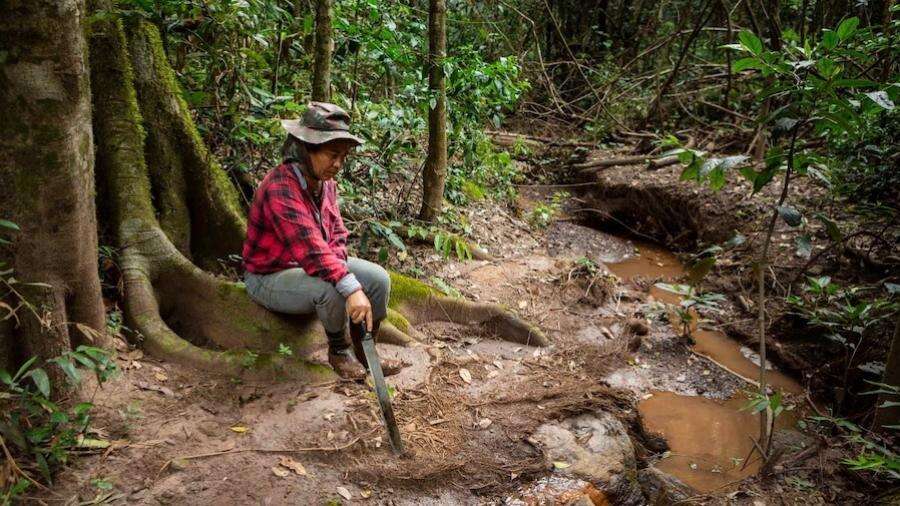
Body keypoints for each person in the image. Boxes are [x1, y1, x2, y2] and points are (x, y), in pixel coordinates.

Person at [242, 102, 403, 379]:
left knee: (378, 280)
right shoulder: (280, 187)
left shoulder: (325, 184)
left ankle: (367, 353)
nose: (338, 164)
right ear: (307, 149)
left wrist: (343, 268)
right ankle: (339, 350)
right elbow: (311, 250)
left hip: (309, 265)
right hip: (269, 276)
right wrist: (350, 287)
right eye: (331, 155)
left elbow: (337, 234)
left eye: (343, 157)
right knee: (331, 287)